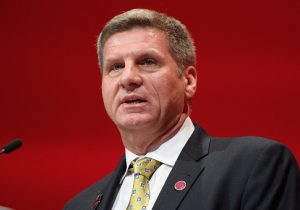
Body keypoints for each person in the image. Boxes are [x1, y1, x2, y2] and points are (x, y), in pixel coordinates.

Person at [64, 8, 299, 210]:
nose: (128, 78)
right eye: (115, 66)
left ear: (188, 81)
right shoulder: (80, 205)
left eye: (147, 62)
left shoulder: (253, 166)